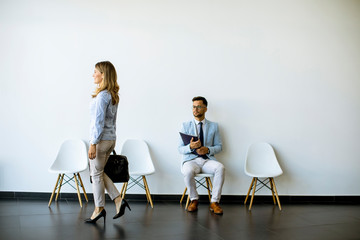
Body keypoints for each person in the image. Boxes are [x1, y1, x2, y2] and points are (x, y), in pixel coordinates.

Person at [85, 61, 130, 223]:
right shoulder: (112, 94)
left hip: (101, 139)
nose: (93, 74)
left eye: (95, 71)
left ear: (103, 74)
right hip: (110, 139)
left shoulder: (103, 95)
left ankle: (99, 209)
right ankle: (118, 200)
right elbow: (113, 121)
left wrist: (93, 143)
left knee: (95, 174)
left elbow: (98, 122)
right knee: (99, 173)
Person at [178, 96, 225, 215]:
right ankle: (194, 199)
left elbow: (219, 146)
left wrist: (207, 149)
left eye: (199, 107)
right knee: (187, 171)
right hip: (191, 160)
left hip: (207, 160)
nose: (196, 109)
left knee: (220, 167)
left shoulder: (214, 126)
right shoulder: (185, 125)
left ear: (205, 109)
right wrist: (190, 147)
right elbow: (180, 149)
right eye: (194, 107)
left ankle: (214, 202)